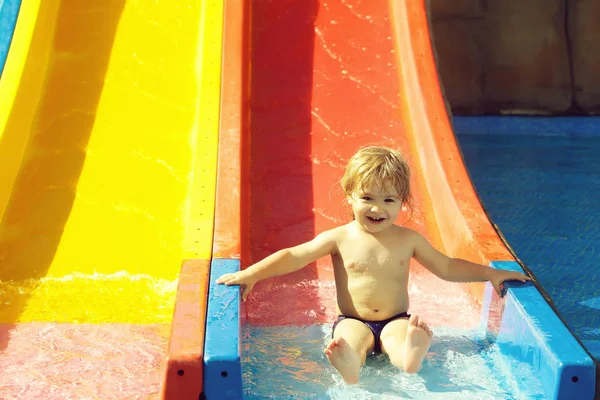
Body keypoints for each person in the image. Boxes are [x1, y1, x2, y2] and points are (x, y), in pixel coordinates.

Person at [216, 146, 530, 384]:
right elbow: (295, 256)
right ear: (349, 196)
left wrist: (491, 274)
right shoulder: (338, 238)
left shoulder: (409, 239)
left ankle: (410, 356)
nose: (377, 208)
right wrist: (251, 274)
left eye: (389, 200)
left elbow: (446, 267)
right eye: (367, 197)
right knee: (349, 340)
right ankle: (350, 367)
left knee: (398, 337)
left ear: (402, 203)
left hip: (395, 318)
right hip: (353, 319)